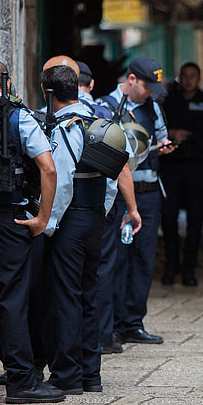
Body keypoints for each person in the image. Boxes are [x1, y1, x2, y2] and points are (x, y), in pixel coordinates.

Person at [0, 59, 63, 404]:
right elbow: (48, 169)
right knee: (11, 298)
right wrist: (42, 218)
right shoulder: (17, 115)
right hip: (6, 219)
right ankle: (22, 383)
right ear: (6, 82)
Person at [40, 64, 125, 394]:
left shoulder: (65, 127)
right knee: (90, 295)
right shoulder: (97, 122)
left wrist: (48, 223)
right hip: (94, 219)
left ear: (50, 94)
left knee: (65, 297)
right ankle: (91, 374)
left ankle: (66, 375)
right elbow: (113, 178)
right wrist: (100, 213)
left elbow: (60, 183)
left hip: (71, 220)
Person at [99, 56, 175, 345]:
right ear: (131, 80)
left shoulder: (153, 107)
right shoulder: (104, 106)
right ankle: (113, 325)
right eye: (147, 86)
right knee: (116, 259)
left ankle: (133, 322)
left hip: (150, 192)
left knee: (143, 259)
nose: (151, 93)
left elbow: (161, 137)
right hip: (118, 197)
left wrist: (162, 147)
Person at [77, 60, 142, 355]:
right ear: (91, 85)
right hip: (99, 208)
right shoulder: (103, 116)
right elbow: (123, 167)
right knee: (101, 270)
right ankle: (101, 336)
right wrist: (131, 208)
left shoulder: (44, 117)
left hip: (60, 210)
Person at [160, 62, 203, 286]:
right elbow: (155, 130)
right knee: (168, 217)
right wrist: (171, 132)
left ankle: (189, 269)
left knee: (196, 219)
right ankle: (171, 267)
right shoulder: (168, 102)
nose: (188, 80)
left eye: (193, 76)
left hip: (198, 167)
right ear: (180, 77)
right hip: (171, 167)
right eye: (185, 76)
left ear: (199, 78)